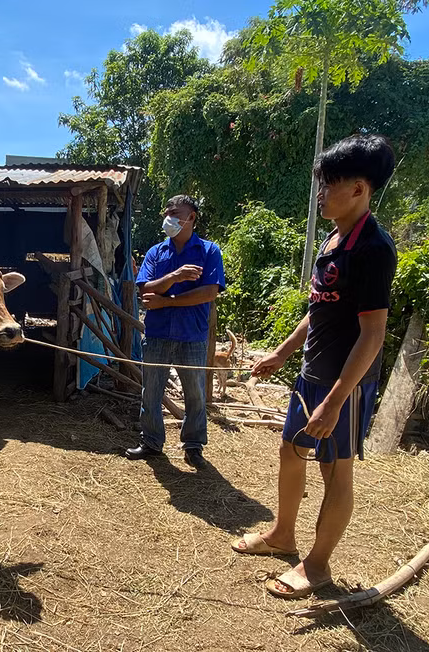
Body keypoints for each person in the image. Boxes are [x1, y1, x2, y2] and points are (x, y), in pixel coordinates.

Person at [231, 134, 398, 600]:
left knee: (335, 472)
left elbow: (372, 333)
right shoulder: (334, 238)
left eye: (330, 184)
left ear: (360, 189)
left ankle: (318, 566)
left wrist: (336, 399)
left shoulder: (373, 249)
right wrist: (282, 353)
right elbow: (319, 309)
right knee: (290, 451)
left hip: (344, 385)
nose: (321, 194)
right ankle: (283, 535)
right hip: (312, 376)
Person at [126, 195, 225, 468]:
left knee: (195, 393)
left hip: (192, 336)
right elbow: (145, 290)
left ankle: (193, 446)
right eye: (167, 212)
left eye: (175, 212)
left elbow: (209, 292)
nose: (169, 217)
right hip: (157, 334)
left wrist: (166, 300)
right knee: (151, 391)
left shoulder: (209, 251)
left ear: (191, 217)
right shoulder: (156, 252)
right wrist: (174, 277)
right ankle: (151, 442)